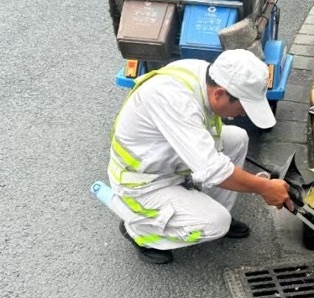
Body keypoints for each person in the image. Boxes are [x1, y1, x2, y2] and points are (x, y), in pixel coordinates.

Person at [107, 50, 293, 265]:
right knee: (216, 223)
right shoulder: (174, 100)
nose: (244, 114)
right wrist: (264, 188)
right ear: (220, 94)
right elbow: (216, 170)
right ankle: (139, 231)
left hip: (167, 160)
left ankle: (206, 208)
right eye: (243, 107)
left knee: (238, 138)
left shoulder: (204, 74)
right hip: (143, 183)